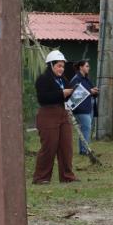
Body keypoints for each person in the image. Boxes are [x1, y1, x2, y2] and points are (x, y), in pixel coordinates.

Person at [33, 50, 77, 184]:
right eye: (59, 66)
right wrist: (61, 94)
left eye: (63, 66)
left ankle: (67, 177)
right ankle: (41, 178)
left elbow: (67, 96)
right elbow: (43, 98)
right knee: (49, 147)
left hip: (63, 113)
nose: (61, 69)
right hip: (48, 114)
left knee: (66, 147)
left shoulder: (63, 80)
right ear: (51, 65)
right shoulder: (43, 79)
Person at [69, 60, 99, 155]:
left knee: (85, 129)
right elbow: (73, 94)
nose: (88, 68)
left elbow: (91, 90)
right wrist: (90, 91)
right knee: (86, 128)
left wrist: (95, 91)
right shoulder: (76, 79)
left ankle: (84, 149)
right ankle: (85, 150)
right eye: (87, 66)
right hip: (80, 108)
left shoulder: (86, 79)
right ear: (81, 67)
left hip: (89, 107)